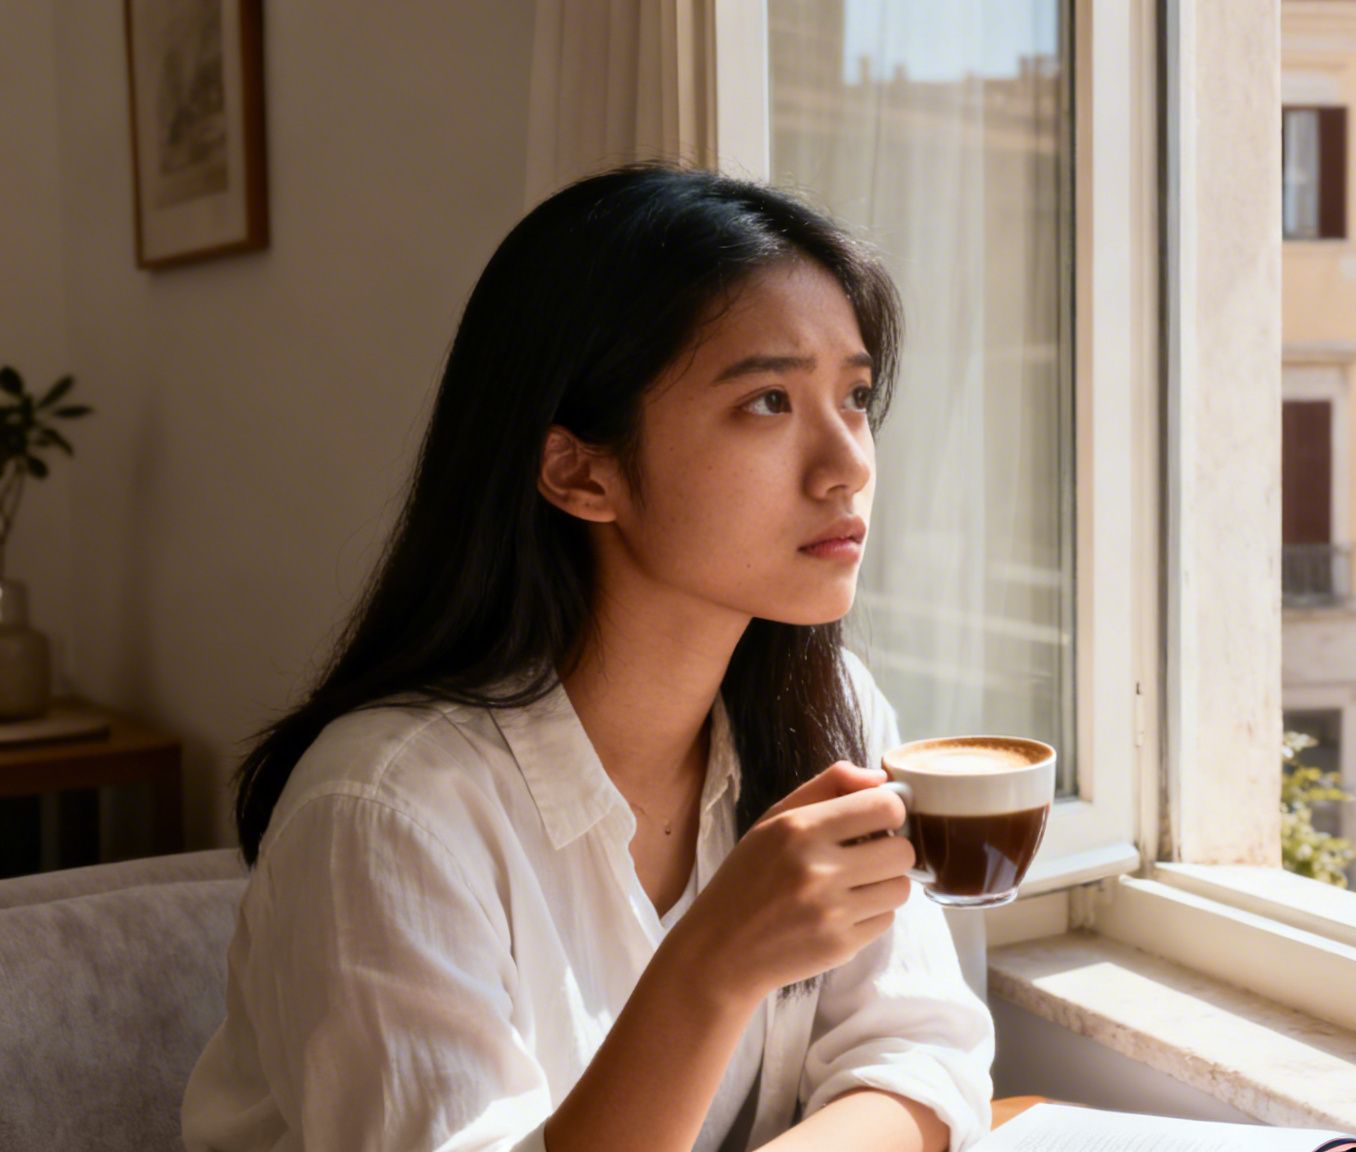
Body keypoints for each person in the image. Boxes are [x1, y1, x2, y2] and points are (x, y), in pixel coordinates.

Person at [181, 167, 995, 1151]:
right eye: (769, 401)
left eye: (855, 395)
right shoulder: (385, 810)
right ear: (580, 470)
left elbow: (917, 1058)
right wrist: (711, 964)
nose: (847, 463)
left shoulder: (830, 711)